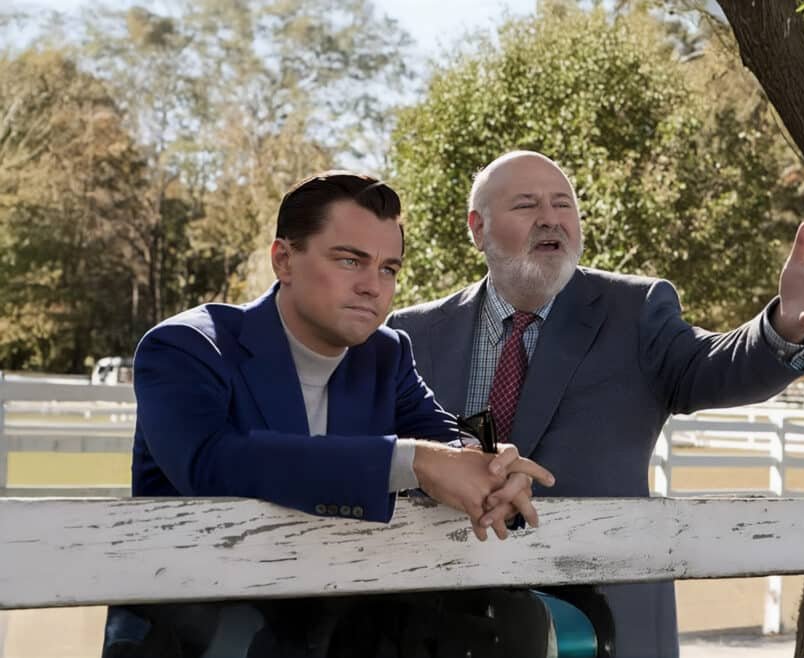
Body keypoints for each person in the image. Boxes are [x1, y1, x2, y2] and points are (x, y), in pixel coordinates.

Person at [388, 150, 804, 658]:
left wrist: (784, 326)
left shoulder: (635, 310)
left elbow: (714, 367)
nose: (550, 218)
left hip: (601, 625)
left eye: (563, 205)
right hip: (451, 629)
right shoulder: (412, 335)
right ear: (478, 229)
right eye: (527, 205)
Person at [102, 170, 555, 658]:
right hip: (194, 630)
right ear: (284, 260)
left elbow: (442, 439)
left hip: (333, 628)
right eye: (349, 260)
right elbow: (213, 462)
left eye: (388, 269)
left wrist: (490, 464)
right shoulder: (187, 346)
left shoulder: (387, 353)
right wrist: (414, 462)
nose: (372, 286)